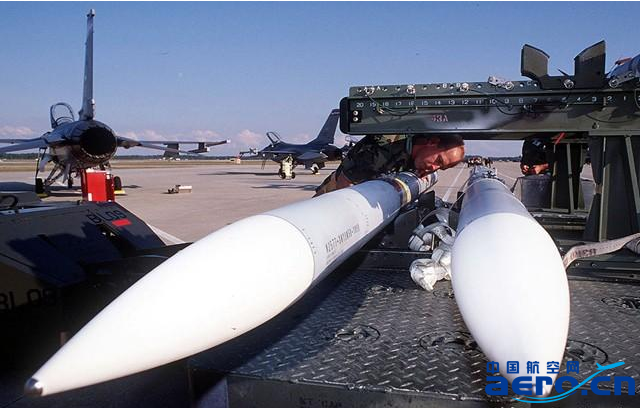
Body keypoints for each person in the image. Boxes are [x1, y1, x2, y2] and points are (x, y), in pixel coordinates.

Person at [314, 134, 465, 196]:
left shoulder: (416, 154)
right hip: (334, 192)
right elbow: (345, 184)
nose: (434, 168)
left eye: (441, 168)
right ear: (432, 142)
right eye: (439, 161)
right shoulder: (386, 148)